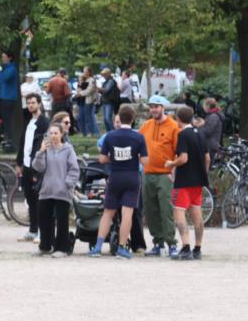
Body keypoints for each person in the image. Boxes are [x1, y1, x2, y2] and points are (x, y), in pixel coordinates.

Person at [89, 104, 148, 259]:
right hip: (132, 176)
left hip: (115, 176)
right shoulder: (139, 137)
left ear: (118, 119)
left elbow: (102, 159)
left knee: (108, 212)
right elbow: (145, 160)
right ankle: (122, 248)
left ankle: (98, 247)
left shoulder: (110, 136)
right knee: (127, 213)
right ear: (133, 118)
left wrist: (114, 158)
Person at [165, 106, 210, 260]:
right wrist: (204, 173)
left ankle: (185, 247)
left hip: (184, 181)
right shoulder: (201, 134)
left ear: (178, 119)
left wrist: (171, 164)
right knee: (196, 213)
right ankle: (198, 248)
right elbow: (207, 158)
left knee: (179, 212)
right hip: (198, 181)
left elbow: (183, 158)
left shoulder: (183, 134)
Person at [139, 95, 180, 257]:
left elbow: (179, 152)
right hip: (148, 174)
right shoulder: (146, 125)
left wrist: (174, 171)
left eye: (156, 106)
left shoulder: (173, 126)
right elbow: (138, 144)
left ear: (163, 107)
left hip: (165, 175)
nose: (153, 109)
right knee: (150, 210)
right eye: (151, 107)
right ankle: (158, 243)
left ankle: (172, 244)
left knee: (166, 210)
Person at [32, 122, 80, 257]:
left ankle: (62, 248)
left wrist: (68, 184)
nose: (53, 136)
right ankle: (45, 246)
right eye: (50, 133)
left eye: (55, 133)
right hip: (46, 190)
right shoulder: (45, 149)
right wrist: (41, 151)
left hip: (62, 191)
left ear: (61, 134)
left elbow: (74, 169)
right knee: (44, 219)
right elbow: (38, 167)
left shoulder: (68, 150)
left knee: (62, 220)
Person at [16, 92, 49, 242]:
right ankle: (33, 229)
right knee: (30, 199)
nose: (30, 105)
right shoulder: (28, 121)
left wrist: (38, 168)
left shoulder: (44, 123)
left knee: (39, 200)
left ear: (39, 104)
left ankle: (43, 231)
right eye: (28, 103)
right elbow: (23, 143)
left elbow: (42, 146)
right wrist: (19, 163)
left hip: (37, 166)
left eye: (33, 103)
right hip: (27, 166)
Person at [0, 51, 19, 151]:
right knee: (5, 121)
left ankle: (11, 143)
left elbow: (3, 78)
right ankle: (8, 141)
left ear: (10, 58)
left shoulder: (11, 69)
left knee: (8, 121)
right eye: (2, 57)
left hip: (8, 98)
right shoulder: (7, 68)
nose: (2, 59)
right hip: (4, 98)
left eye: (4, 57)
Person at [76, 67, 99, 136]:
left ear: (89, 72)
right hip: (83, 101)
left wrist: (80, 94)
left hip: (88, 101)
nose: (84, 73)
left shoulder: (92, 80)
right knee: (83, 117)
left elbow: (90, 90)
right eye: (84, 71)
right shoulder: (84, 80)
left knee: (89, 117)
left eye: (85, 71)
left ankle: (92, 132)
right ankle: (85, 132)